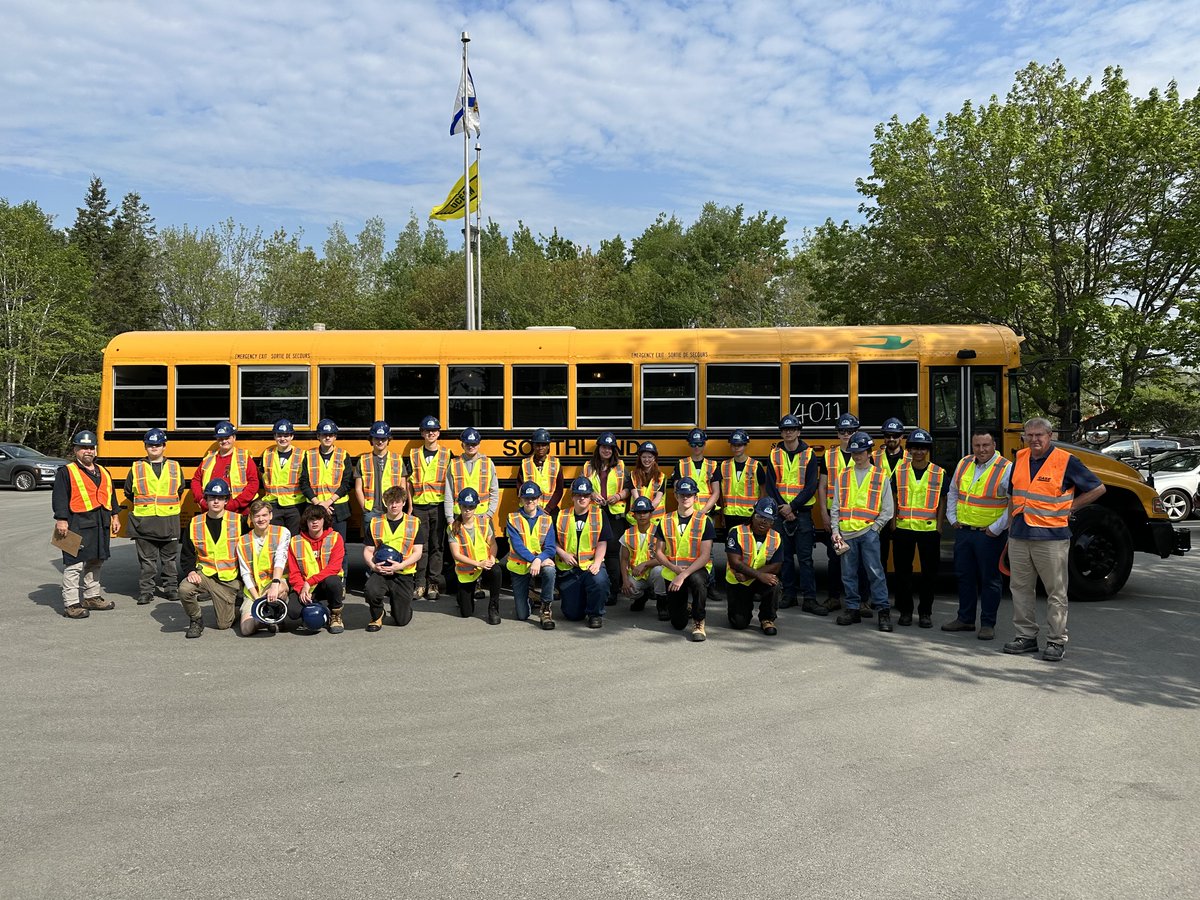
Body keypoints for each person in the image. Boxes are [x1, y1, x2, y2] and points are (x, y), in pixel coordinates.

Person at [1003, 418, 1105, 662]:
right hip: (1020, 534)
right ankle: (1026, 637)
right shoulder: (1019, 459)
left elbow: (1098, 488)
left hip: (1051, 537)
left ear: (1050, 436)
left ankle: (1056, 641)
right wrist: (1009, 528)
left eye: (1039, 435)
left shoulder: (1066, 460)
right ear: (1024, 437)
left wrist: (1071, 507)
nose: (1034, 439)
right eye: (1030, 435)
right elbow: (1012, 495)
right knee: (1020, 589)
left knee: (1055, 592)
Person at [942, 429, 1013, 640]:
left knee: (990, 580)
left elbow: (1013, 502)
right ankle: (965, 619)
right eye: (977, 446)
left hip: (988, 535)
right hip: (964, 531)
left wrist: (996, 528)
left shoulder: (1006, 468)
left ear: (994, 445)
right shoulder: (964, 463)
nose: (981, 450)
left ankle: (988, 624)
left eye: (985, 445)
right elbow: (953, 491)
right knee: (964, 577)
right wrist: (952, 518)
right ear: (972, 446)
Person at [52, 430, 121, 619]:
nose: (87, 451)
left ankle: (91, 597)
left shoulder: (104, 472)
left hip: (100, 523)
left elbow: (111, 496)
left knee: (96, 560)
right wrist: (61, 519)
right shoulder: (66, 472)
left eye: (91, 448)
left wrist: (115, 516)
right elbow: (60, 497)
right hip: (75, 523)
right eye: (83, 448)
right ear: (75, 450)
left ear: (95, 450)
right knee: (73, 565)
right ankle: (72, 604)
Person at [831, 431, 894, 631]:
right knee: (848, 574)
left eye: (861, 452)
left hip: (868, 533)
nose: (857, 456)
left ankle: (883, 611)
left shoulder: (880, 475)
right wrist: (835, 530)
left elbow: (888, 509)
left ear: (869, 452)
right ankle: (852, 608)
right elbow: (836, 506)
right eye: (854, 452)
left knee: (875, 573)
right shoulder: (844, 475)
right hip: (846, 533)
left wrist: (874, 529)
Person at [889, 429, 945, 628]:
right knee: (903, 573)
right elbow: (893, 497)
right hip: (903, 529)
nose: (919, 452)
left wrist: (939, 526)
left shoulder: (939, 472)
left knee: (929, 574)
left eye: (923, 448)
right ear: (909, 449)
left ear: (928, 450)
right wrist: (893, 524)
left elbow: (943, 500)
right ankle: (905, 611)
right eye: (915, 448)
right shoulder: (900, 471)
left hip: (929, 531)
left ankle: (925, 613)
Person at [768, 415, 823, 615]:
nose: (788, 432)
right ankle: (789, 595)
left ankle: (809, 598)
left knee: (806, 558)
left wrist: (792, 507)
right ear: (781, 433)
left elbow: (811, 486)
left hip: (802, 513)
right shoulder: (774, 454)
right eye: (784, 429)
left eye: (792, 429)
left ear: (799, 432)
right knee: (785, 558)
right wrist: (784, 508)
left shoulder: (809, 454)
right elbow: (771, 486)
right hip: (781, 513)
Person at [123, 427, 184, 606]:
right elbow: (129, 492)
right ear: (145, 446)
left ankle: (171, 589)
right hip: (144, 522)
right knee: (147, 562)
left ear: (164, 446)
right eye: (150, 445)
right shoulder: (136, 467)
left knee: (170, 560)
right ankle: (146, 591)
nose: (154, 447)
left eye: (158, 444)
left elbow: (180, 488)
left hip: (169, 521)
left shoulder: (174, 466)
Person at [178, 479, 243, 638]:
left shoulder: (239, 521)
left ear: (226, 500)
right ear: (205, 499)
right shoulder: (195, 523)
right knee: (184, 589)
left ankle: (237, 606)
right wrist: (190, 571)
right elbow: (187, 553)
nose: (215, 501)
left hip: (228, 580)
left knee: (223, 625)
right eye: (211, 497)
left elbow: (248, 553)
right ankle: (196, 620)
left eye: (220, 498)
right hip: (205, 575)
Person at [652, 477, 715, 642]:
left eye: (689, 495)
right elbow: (658, 551)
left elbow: (705, 555)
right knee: (678, 623)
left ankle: (698, 621)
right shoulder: (665, 520)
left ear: (695, 497)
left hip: (696, 570)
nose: (685, 498)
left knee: (698, 583)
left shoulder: (704, 521)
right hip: (673, 571)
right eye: (682, 494)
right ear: (676, 496)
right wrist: (674, 570)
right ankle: (686, 607)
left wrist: (683, 574)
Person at [816, 413, 860, 612]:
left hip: (857, 516)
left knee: (858, 559)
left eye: (850, 431)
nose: (846, 434)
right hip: (835, 515)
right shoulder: (829, 455)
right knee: (834, 557)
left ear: (856, 432)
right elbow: (823, 486)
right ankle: (834, 597)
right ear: (837, 433)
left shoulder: (864, 454)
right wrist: (824, 514)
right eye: (842, 431)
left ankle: (861, 599)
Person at [555, 477, 612, 628]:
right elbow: (551, 542)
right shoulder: (561, 516)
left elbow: (602, 542)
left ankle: (595, 613)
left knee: (600, 581)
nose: (582, 498)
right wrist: (563, 554)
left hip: (590, 565)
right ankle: (582, 602)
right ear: (572, 496)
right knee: (572, 615)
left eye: (586, 495)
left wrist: (598, 563)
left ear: (590, 497)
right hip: (569, 569)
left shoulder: (599, 514)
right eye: (578, 495)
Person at [362, 486, 422, 631]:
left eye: (397, 502)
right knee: (371, 590)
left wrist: (400, 566)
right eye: (390, 502)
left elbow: (418, 552)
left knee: (401, 620)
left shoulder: (414, 523)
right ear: (385, 503)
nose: (393, 505)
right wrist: (373, 566)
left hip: (403, 573)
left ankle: (401, 608)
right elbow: (368, 550)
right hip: (380, 571)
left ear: (403, 502)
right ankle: (377, 615)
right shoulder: (375, 523)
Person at [406, 415, 452, 602]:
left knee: (437, 546)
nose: (430, 433)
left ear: (438, 433)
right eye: (427, 430)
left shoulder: (447, 454)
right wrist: (410, 506)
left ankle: (433, 583)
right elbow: (408, 483)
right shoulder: (414, 454)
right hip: (419, 506)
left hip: (439, 506)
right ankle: (420, 583)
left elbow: (451, 483)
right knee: (420, 547)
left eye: (434, 430)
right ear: (422, 433)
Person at [724, 497, 784, 635]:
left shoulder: (776, 537)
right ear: (753, 515)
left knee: (775, 584)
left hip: (749, 577)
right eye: (760, 516)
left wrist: (751, 575)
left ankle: (767, 618)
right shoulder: (737, 532)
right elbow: (735, 562)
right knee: (739, 623)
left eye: (769, 519)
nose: (764, 521)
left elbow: (776, 566)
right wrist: (758, 575)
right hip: (738, 581)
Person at [287, 504, 347, 634]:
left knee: (333, 582)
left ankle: (335, 614)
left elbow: (334, 568)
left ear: (324, 520)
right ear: (305, 522)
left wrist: (309, 582)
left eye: (318, 518)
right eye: (310, 519)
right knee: (293, 612)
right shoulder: (295, 541)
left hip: (325, 584)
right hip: (305, 586)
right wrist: (301, 588)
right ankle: (312, 611)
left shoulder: (335, 537)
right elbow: (294, 572)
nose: (314, 522)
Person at [505, 480, 558, 628]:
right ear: (521, 499)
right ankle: (531, 596)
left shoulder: (547, 519)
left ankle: (545, 608)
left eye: (533, 498)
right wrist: (535, 560)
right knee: (522, 615)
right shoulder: (512, 518)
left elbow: (550, 548)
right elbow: (517, 546)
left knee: (550, 570)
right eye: (526, 498)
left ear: (539, 499)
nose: (530, 501)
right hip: (519, 567)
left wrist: (538, 560)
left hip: (538, 564)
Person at [447, 488, 502, 624]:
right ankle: (462, 595)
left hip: (484, 564)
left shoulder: (484, 523)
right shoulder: (453, 528)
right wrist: (478, 564)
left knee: (497, 571)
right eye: (465, 506)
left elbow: (493, 544)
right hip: (468, 570)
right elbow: (456, 555)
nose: (467, 510)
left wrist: (491, 558)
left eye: (471, 507)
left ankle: (493, 608)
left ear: (476, 507)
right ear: (459, 506)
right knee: (466, 613)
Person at [235, 499, 290, 636]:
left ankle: (276, 614)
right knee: (246, 630)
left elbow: (280, 560)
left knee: (280, 589)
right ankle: (268, 619)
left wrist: (275, 584)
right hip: (254, 590)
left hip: (275, 583)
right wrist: (257, 600)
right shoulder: (242, 541)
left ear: (270, 516)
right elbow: (245, 574)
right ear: (251, 518)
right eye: (257, 516)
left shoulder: (282, 532)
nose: (261, 519)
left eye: (264, 515)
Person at [582, 432, 627, 598]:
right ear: (598, 448)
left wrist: (618, 496)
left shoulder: (620, 466)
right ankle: (595, 587)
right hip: (594, 513)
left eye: (610, 447)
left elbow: (628, 487)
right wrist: (592, 493)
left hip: (614, 514)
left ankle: (613, 591)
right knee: (594, 551)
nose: (607, 450)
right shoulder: (588, 466)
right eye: (604, 447)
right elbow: (582, 484)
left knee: (613, 553)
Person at [300, 418, 353, 542]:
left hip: (338, 508)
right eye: (324, 435)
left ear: (335, 437)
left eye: (331, 435)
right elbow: (303, 482)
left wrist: (328, 502)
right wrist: (319, 504)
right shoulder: (309, 455)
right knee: (314, 545)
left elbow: (347, 483)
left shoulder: (343, 455)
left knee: (339, 545)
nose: (327, 438)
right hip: (314, 506)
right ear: (318, 436)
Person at [191, 421, 259, 515]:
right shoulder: (208, 458)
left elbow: (253, 483)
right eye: (220, 439)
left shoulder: (244, 457)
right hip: (210, 511)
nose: (224, 441)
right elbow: (196, 480)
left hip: (238, 511)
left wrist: (236, 503)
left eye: (227, 438)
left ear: (234, 437)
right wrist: (201, 500)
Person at [873, 417, 908, 583]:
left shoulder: (910, 458)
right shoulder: (874, 457)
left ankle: (901, 597)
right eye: (888, 435)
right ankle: (880, 595)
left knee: (902, 560)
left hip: (903, 515)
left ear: (902, 437)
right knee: (880, 557)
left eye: (895, 435)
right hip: (880, 514)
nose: (891, 439)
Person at [715, 429, 769, 535]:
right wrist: (721, 514)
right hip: (729, 515)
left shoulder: (755, 466)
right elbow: (721, 494)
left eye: (740, 445)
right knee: (731, 547)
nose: (736, 448)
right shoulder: (724, 466)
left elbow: (763, 492)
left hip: (749, 515)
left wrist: (759, 514)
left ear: (745, 445)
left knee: (748, 546)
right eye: (734, 445)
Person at [355, 420, 404, 532]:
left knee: (392, 545)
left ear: (388, 440)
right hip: (371, 511)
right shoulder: (363, 460)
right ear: (371, 439)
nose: (380, 441)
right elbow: (358, 488)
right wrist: (365, 508)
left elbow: (403, 486)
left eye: (383, 439)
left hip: (392, 509)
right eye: (377, 438)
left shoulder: (397, 459)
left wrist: (398, 506)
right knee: (371, 546)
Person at [259, 419, 305, 535]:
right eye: (279, 435)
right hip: (273, 504)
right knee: (275, 540)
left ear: (292, 436)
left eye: (286, 435)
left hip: (295, 505)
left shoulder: (302, 455)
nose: (283, 438)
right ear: (274, 436)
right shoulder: (267, 453)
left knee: (294, 539)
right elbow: (261, 475)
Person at [620, 496, 660, 612]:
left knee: (660, 573)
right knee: (628, 590)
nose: (642, 515)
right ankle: (641, 598)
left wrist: (645, 564)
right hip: (636, 574)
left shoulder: (659, 532)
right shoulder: (628, 534)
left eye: (645, 512)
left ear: (651, 514)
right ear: (634, 515)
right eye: (639, 513)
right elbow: (623, 559)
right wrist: (625, 580)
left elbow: (665, 558)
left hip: (653, 571)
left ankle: (662, 604)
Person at [670, 428, 719, 517]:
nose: (696, 447)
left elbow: (716, 493)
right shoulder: (681, 464)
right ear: (689, 445)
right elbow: (676, 491)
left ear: (704, 445)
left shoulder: (712, 465)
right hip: (687, 512)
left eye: (700, 444)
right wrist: (687, 508)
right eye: (693, 444)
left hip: (707, 513)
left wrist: (703, 511)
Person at [520, 428, 564, 513]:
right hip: (529, 509)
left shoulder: (555, 464)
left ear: (548, 446)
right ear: (533, 446)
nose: (540, 448)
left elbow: (559, 489)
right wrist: (534, 506)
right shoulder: (525, 464)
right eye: (537, 445)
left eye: (543, 445)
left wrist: (548, 508)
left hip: (551, 510)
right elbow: (520, 489)